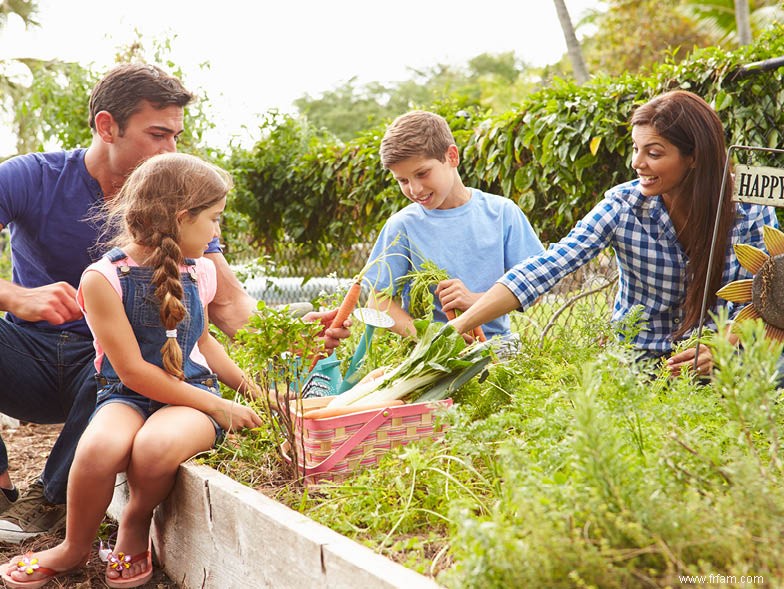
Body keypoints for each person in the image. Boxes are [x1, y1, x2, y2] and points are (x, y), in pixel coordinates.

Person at [0, 63, 348, 540]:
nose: (170, 150)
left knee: (121, 365)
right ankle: (1, 486)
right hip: (28, 356)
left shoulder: (178, 199)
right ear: (107, 126)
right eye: (158, 134)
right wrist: (13, 295)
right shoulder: (30, 177)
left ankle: (54, 498)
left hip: (111, 367)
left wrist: (293, 337)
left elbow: (225, 306)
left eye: (176, 137)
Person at [0, 152, 263, 588]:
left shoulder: (200, 272)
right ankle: (72, 548)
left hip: (189, 394)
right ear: (182, 217)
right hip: (126, 392)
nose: (217, 233)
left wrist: (251, 393)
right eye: (214, 219)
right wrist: (219, 407)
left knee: (153, 450)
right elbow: (133, 372)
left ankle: (134, 525)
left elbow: (205, 344)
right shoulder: (103, 278)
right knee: (98, 448)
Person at [447, 90, 778, 374]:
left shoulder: (749, 207)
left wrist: (720, 346)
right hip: (640, 360)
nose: (637, 163)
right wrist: (458, 326)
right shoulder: (623, 205)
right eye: (636, 149)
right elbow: (550, 265)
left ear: (694, 157)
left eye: (654, 152)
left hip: (724, 357)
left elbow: (768, 295)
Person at [362, 110, 544, 344]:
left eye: (422, 173)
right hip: (428, 356)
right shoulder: (402, 226)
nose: (415, 189)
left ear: (452, 156)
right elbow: (378, 302)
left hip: (495, 347)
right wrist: (432, 340)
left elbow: (535, 287)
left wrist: (474, 301)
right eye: (403, 181)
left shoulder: (502, 213)